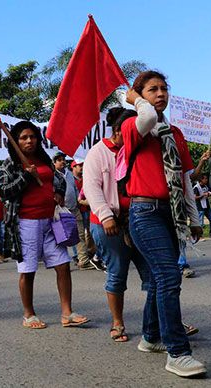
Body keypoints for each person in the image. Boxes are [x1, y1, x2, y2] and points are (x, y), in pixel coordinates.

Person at [122, 71, 206, 377]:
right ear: (140, 95)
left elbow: (184, 179)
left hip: (171, 214)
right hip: (144, 213)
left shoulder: (176, 134)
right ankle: (178, 352)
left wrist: (194, 220)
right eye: (152, 89)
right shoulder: (133, 125)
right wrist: (135, 100)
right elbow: (145, 118)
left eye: (164, 89)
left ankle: (151, 337)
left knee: (160, 279)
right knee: (170, 276)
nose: (160, 94)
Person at [0, 120, 89, 330]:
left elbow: (58, 180)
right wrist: (25, 177)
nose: (29, 140)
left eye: (32, 136)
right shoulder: (10, 164)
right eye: (23, 138)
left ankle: (67, 313)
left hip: (51, 221)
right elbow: (3, 191)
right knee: (28, 270)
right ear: (16, 142)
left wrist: (57, 192)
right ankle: (29, 314)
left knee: (63, 264)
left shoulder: (43, 159)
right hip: (26, 223)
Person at [83, 107, 150, 342]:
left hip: (139, 220)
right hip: (108, 224)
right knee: (117, 273)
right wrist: (106, 215)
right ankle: (117, 322)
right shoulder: (97, 153)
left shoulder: (137, 149)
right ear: (119, 132)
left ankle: (163, 320)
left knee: (155, 274)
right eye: (132, 130)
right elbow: (91, 188)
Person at [53, 152, 93, 270]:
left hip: (74, 209)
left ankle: (83, 261)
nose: (62, 162)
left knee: (79, 235)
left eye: (63, 159)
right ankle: (61, 262)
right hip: (58, 211)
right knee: (61, 237)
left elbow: (75, 190)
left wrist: (79, 203)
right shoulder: (52, 175)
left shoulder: (69, 174)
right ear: (54, 163)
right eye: (59, 160)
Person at [72, 159, 104, 271]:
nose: (81, 168)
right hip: (78, 210)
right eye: (78, 166)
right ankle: (81, 258)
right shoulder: (72, 180)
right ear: (73, 167)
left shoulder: (86, 178)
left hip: (89, 210)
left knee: (90, 233)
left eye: (82, 165)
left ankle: (91, 253)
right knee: (80, 234)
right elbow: (79, 198)